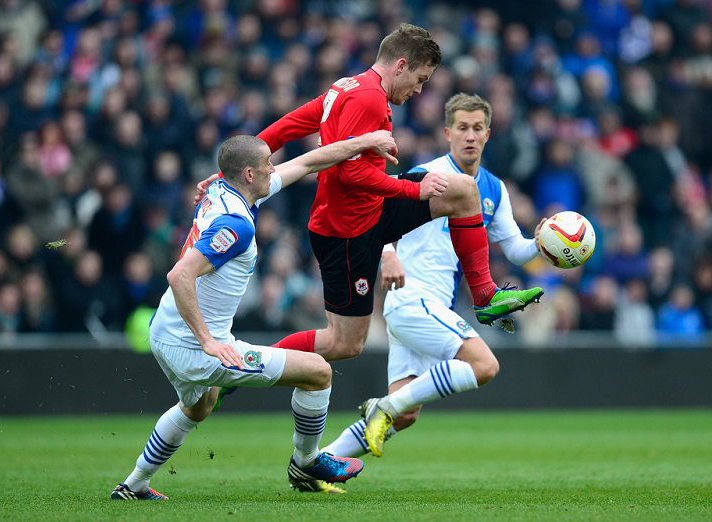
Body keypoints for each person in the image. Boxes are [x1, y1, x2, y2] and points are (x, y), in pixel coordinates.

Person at [198, 24, 543, 363]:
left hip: (371, 210)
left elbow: (290, 125)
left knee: (463, 191)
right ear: (401, 66)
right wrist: (413, 189)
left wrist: (240, 163)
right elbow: (350, 173)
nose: (420, 91)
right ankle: (249, 362)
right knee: (343, 344)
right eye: (420, 79)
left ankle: (484, 295)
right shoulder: (369, 99)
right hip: (346, 232)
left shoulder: (347, 87)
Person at [110, 130, 398, 500]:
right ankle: (308, 461)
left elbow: (308, 162)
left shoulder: (224, 190)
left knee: (200, 406)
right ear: (249, 174)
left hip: (165, 332)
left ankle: (134, 485)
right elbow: (179, 275)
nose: (273, 168)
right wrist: (208, 341)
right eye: (267, 164)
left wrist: (364, 142)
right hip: (194, 345)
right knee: (318, 372)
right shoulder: (237, 224)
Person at [320, 93, 546, 462]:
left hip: (426, 308)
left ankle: (319, 461)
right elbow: (377, 210)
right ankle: (384, 406)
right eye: (462, 128)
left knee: (406, 414)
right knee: (484, 366)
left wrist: (541, 242)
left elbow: (515, 249)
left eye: (477, 128)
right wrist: (388, 254)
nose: (470, 135)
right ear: (448, 132)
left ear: (488, 134)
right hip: (412, 297)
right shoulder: (429, 173)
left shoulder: (494, 188)